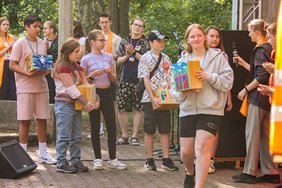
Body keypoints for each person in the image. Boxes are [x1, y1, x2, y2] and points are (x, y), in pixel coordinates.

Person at [171, 24, 233, 188]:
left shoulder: (217, 57)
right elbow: (175, 92)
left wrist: (208, 76)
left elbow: (227, 83)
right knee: (186, 153)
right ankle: (190, 173)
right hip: (188, 110)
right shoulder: (182, 61)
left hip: (211, 110)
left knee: (201, 147)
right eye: (192, 36)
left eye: (199, 35)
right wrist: (184, 92)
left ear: (205, 37)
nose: (196, 39)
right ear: (188, 40)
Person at [232, 19, 280, 184]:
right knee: (266, 136)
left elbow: (261, 76)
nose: (248, 34)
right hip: (268, 98)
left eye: (250, 31)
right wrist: (245, 64)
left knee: (252, 134)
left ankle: (249, 172)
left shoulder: (260, 49)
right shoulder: (269, 48)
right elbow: (262, 71)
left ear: (256, 31)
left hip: (258, 97)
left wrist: (245, 90)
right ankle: (271, 171)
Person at [9, 14, 56, 164]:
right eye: (35, 26)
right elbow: (12, 65)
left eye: (39, 26)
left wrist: (46, 69)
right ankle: (22, 154)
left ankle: (43, 153)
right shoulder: (20, 44)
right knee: (25, 121)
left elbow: (44, 63)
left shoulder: (43, 43)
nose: (38, 29)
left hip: (42, 86)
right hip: (25, 87)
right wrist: (27, 74)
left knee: (42, 119)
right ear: (26, 27)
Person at [81, 29, 127, 170]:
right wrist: (93, 75)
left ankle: (113, 158)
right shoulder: (85, 59)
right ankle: (97, 158)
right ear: (92, 42)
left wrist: (109, 73)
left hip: (107, 92)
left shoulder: (108, 57)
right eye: (101, 40)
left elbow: (114, 79)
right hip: (94, 92)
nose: (104, 42)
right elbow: (83, 80)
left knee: (111, 126)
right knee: (95, 125)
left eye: (104, 40)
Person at [52, 38, 96, 173]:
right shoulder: (62, 67)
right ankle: (61, 162)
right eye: (76, 51)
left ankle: (75, 160)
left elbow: (86, 85)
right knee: (64, 135)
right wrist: (86, 102)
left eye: (79, 51)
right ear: (68, 52)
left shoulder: (76, 67)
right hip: (64, 105)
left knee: (76, 135)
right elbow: (71, 89)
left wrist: (95, 98)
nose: (78, 54)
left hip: (75, 105)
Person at [138, 29, 178, 171]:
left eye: (163, 40)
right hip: (149, 100)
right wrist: (153, 97)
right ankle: (149, 159)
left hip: (164, 99)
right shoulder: (145, 58)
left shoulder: (166, 58)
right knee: (149, 129)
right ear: (151, 42)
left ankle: (166, 159)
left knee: (165, 129)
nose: (162, 43)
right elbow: (145, 79)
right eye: (158, 40)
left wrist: (168, 88)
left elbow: (170, 77)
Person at [116, 17, 150, 146]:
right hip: (124, 79)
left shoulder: (146, 43)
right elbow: (118, 60)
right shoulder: (124, 41)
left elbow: (147, 60)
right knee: (122, 108)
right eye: (135, 25)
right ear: (131, 26)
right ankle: (124, 136)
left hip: (140, 80)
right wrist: (127, 55)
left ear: (143, 29)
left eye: (140, 26)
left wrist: (134, 52)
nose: (137, 27)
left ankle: (135, 136)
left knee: (138, 108)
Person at [205, 25, 233, 174]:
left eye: (217, 36)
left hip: (217, 98)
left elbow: (227, 79)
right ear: (205, 37)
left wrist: (229, 98)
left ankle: (210, 160)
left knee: (214, 130)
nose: (215, 39)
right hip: (202, 99)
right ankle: (199, 158)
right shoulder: (200, 53)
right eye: (212, 36)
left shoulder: (223, 55)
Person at [97, 13, 121, 136]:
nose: (104, 24)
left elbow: (119, 56)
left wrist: (108, 57)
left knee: (111, 101)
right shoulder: (95, 36)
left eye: (106, 22)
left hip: (110, 73)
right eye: (102, 22)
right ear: (99, 23)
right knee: (97, 100)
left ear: (110, 22)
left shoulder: (116, 38)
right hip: (97, 75)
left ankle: (111, 127)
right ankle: (99, 127)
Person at [0, 17, 16, 100]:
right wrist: (7, 48)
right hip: (2, 65)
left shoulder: (12, 37)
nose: (6, 26)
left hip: (11, 63)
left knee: (12, 85)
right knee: (3, 85)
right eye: (3, 24)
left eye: (7, 25)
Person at [43, 21, 58, 104]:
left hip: (55, 72)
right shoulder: (41, 41)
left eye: (45, 28)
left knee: (53, 93)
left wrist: (48, 50)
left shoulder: (59, 41)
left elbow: (58, 56)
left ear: (52, 29)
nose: (43, 30)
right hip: (44, 72)